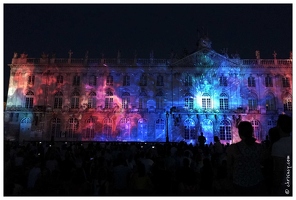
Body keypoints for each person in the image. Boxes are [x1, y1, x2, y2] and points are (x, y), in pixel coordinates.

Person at [227, 121, 266, 195]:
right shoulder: (259, 147)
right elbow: (262, 163)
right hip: (256, 182)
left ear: (239, 133)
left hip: (239, 182)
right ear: (251, 132)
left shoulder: (233, 148)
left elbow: (229, 167)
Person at [271, 114, 292, 195]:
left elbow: (279, 170)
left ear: (278, 127)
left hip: (285, 185)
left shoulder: (277, 145)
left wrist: (275, 188)